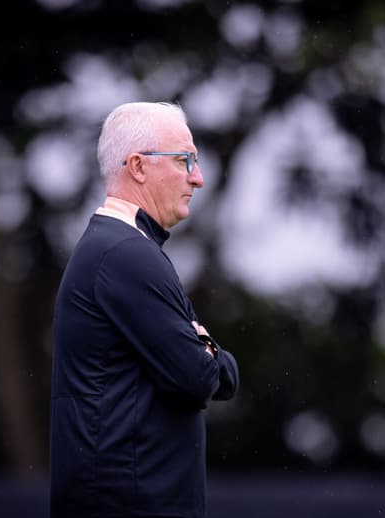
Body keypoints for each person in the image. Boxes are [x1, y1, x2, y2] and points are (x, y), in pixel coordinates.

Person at [49, 101, 239, 518]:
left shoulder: (116, 249)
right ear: (137, 166)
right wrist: (210, 351)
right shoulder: (125, 253)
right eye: (185, 160)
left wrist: (205, 350)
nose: (198, 177)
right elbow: (202, 376)